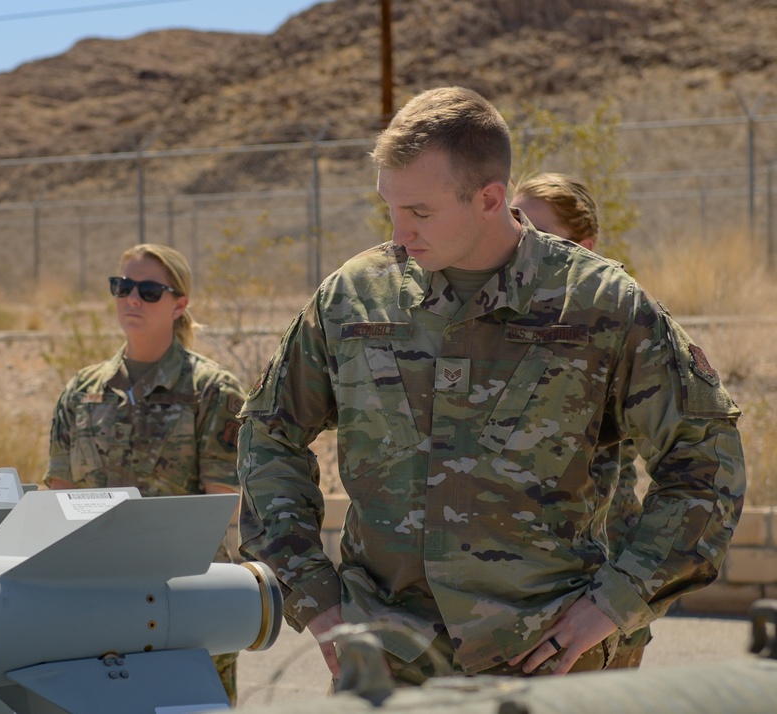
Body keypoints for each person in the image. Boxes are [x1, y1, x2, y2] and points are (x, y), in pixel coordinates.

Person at [237, 86, 745, 685]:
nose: (399, 234)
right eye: (390, 209)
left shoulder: (599, 304)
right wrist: (319, 602)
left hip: (552, 665)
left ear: (490, 198)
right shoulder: (355, 297)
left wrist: (615, 604)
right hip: (388, 666)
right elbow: (268, 433)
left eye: (420, 212)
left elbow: (705, 460)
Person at [43, 243, 246, 703]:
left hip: (183, 601)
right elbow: (57, 497)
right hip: (94, 600)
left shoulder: (212, 390)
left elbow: (220, 504)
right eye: (123, 287)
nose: (132, 300)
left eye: (150, 291)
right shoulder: (82, 391)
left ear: (179, 305)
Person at [511, 172, 649, 669]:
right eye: (515, 225)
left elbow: (695, 465)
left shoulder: (620, 322)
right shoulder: (501, 316)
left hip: (600, 583)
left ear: (584, 246)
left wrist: (620, 598)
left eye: (542, 234)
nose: (522, 244)